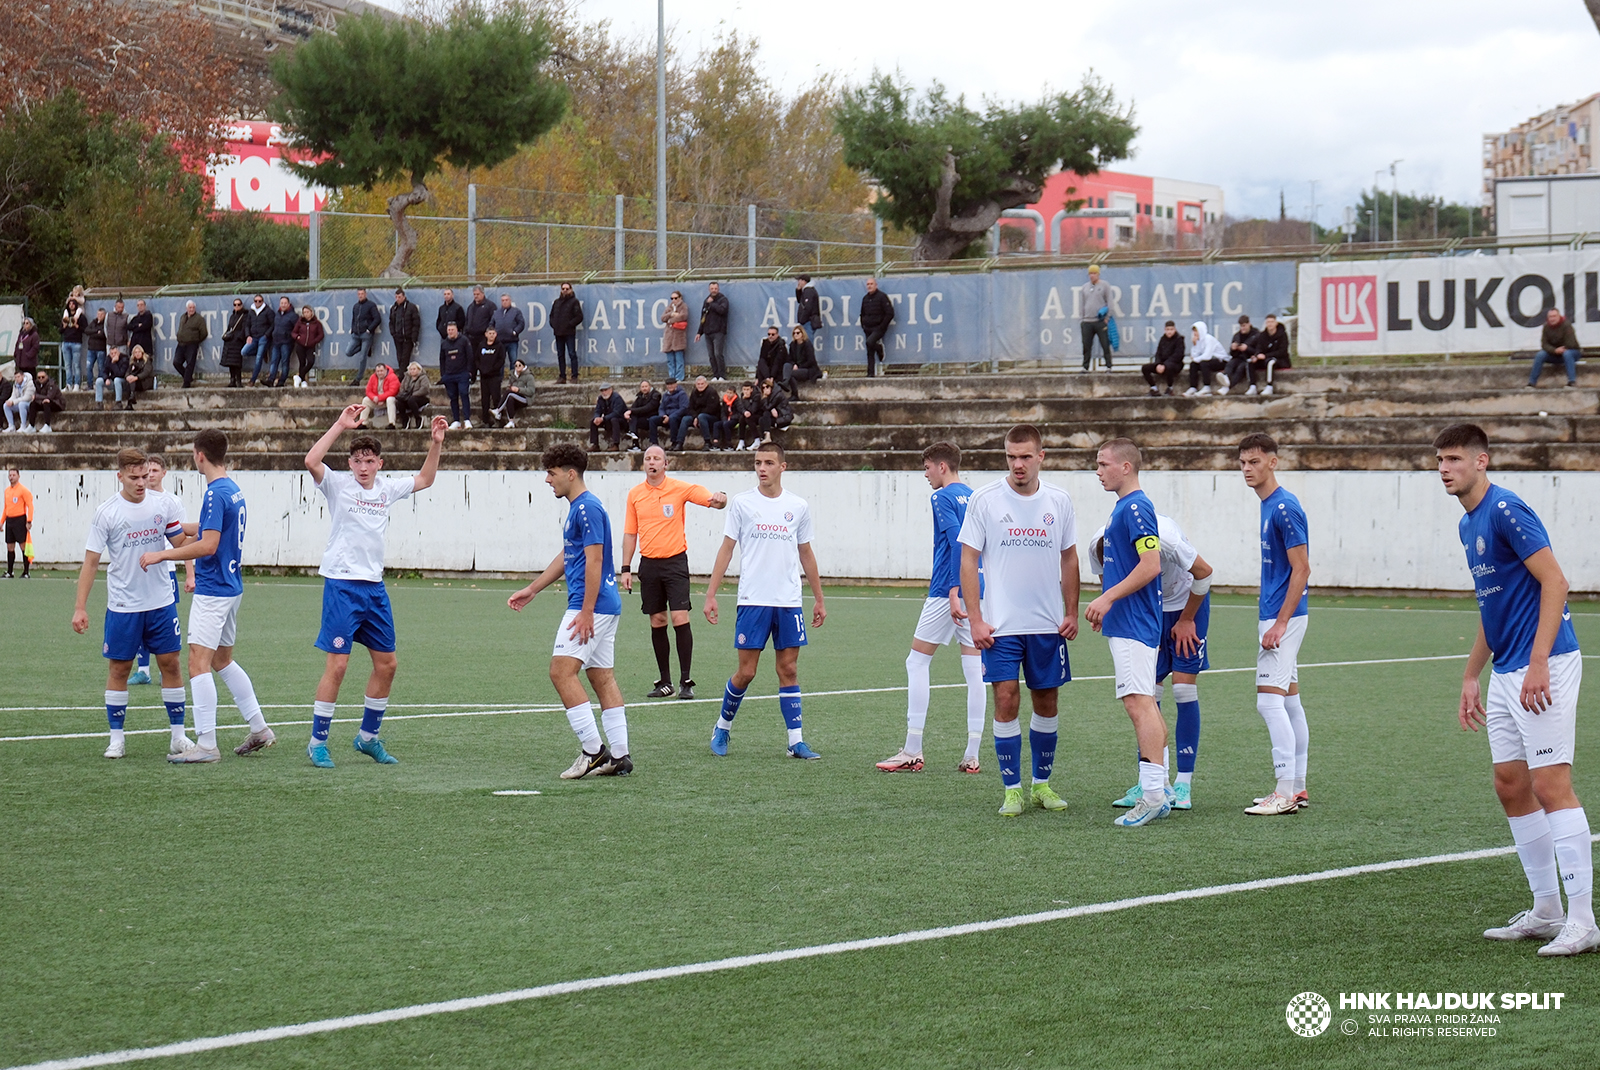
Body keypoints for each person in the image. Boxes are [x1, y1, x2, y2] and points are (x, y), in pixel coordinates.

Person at [1435, 422, 1596, 955]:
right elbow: (1493, 605)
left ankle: (1583, 921)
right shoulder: (1467, 525)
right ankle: (1546, 910)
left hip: (1541, 664)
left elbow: (1556, 581)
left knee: (1551, 784)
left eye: (1455, 459)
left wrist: (1538, 661)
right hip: (1507, 670)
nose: (1444, 468)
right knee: (1510, 783)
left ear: (1482, 461)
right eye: (1439, 459)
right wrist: (1470, 674)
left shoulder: (1506, 510)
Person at [301, 406, 447, 767]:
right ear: (349, 464)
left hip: (374, 588)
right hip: (341, 585)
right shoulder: (337, 485)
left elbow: (426, 479)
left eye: (369, 461)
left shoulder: (387, 488)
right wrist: (339, 425)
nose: (363, 467)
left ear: (379, 464)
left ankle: (368, 738)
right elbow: (311, 460)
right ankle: (317, 742)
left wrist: (436, 443)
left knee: (387, 664)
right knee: (337, 666)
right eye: (356, 461)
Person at [957, 423, 1079, 817]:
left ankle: (1041, 785)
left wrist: (1072, 611)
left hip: (1046, 625)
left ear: (1041, 457)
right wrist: (975, 620)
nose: (1018, 464)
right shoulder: (985, 499)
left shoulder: (1059, 500)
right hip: (1001, 626)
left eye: (1026, 456)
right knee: (1006, 699)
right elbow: (969, 559)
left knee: (1047, 702)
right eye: (1011, 456)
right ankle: (1012, 789)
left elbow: (1070, 558)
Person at [139, 431, 276, 763]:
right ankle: (259, 728)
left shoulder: (215, 493)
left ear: (199, 455)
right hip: (232, 588)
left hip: (213, 590)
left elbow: (209, 544)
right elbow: (214, 527)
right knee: (221, 661)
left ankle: (206, 745)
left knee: (198, 664)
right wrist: (180, 526)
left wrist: (162, 555)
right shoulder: (232, 490)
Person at [508, 443, 632, 778]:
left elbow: (594, 559)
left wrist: (587, 610)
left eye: (551, 472)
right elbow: (569, 556)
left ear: (570, 473)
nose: (548, 480)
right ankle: (619, 754)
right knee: (601, 676)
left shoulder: (586, 508)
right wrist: (533, 589)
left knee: (561, 672)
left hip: (590, 605)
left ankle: (593, 751)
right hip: (604, 605)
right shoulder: (579, 508)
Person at [704, 440, 826, 760]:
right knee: (747, 672)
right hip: (753, 600)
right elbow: (727, 549)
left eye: (769, 463)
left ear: (782, 467)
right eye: (758, 463)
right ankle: (722, 728)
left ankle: (795, 741)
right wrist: (711, 594)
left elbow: (806, 553)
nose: (761, 469)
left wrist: (819, 598)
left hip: (788, 601)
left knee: (789, 669)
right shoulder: (743, 504)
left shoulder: (798, 506)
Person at [70, 447, 191, 759]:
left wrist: (214, 534)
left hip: (162, 602)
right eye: (134, 477)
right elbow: (91, 561)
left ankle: (178, 736)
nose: (141, 482)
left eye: (145, 475)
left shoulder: (163, 505)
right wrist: (80, 607)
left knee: (171, 664)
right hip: (124, 605)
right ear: (120, 475)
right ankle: (116, 738)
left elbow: (180, 543)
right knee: (120, 668)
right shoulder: (107, 513)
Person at [877, 442, 988, 775]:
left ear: (942, 466)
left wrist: (954, 590)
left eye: (927, 467)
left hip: (946, 592)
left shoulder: (941, 497)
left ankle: (912, 749)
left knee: (917, 661)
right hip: (980, 591)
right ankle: (972, 754)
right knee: (973, 670)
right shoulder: (976, 496)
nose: (925, 474)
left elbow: (957, 541)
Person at [1098, 511, 1213, 813]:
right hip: (1150, 609)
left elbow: (1205, 572)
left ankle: (1183, 782)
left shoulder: (1166, 538)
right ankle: (1155, 781)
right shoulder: (1100, 543)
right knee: (1146, 692)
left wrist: (1187, 619)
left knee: (1183, 689)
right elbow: (1108, 582)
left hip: (1188, 603)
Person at [1084, 439, 1171, 828]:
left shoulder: (1136, 506)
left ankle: (1152, 795)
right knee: (1144, 701)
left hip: (1137, 623)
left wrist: (1107, 599)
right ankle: (1160, 788)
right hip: (1129, 621)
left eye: (1103, 464)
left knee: (1139, 703)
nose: (1098, 471)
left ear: (1126, 467)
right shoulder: (1124, 507)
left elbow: (1151, 565)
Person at [1238, 433, 1312, 816]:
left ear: (1273, 462)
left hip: (1283, 617)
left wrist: (1280, 623)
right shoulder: (1269, 505)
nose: (1248, 469)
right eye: (1243, 463)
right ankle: (1297, 787)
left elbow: (1302, 568)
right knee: (1290, 701)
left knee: (1268, 703)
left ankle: (1283, 791)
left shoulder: (1284, 507)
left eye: (1255, 462)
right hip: (1278, 614)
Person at [621, 445, 728, 699]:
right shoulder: (635, 495)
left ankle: (685, 681)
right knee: (657, 620)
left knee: (680, 618)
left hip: (675, 563)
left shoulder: (678, 488)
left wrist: (719, 497)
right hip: (649, 565)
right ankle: (665, 682)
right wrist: (625, 568)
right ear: (643, 464)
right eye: (647, 458)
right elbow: (630, 533)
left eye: (657, 458)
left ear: (666, 464)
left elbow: (710, 499)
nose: (651, 462)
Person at [128, 454, 195, 687]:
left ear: (164, 473)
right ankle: (143, 669)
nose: (151, 475)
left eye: (156, 471)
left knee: (163, 622)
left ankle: (164, 668)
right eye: (149, 471)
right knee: (139, 620)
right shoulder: (137, 501)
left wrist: (190, 574)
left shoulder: (172, 503)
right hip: (141, 570)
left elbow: (184, 542)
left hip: (165, 569)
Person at [1530, 307, 1581, 389]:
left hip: (1572, 353)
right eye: (1550, 316)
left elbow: (1571, 343)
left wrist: (1561, 349)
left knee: (1567, 354)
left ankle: (1572, 382)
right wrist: (1555, 350)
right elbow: (1544, 344)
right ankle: (1531, 383)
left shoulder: (1566, 325)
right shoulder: (1546, 327)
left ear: (1559, 316)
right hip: (1555, 353)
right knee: (1540, 355)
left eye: (1554, 316)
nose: (1552, 319)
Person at [438, 322, 473, 429]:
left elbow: (470, 356)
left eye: (452, 330)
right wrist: (443, 375)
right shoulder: (444, 343)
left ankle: (467, 420)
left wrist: (469, 371)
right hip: (449, 375)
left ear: (457, 330)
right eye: (449, 330)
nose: (450, 332)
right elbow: (442, 360)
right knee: (453, 397)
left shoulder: (464, 341)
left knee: (464, 393)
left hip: (462, 374)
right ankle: (456, 420)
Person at [1079, 265, 1114, 372]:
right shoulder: (1085, 287)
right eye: (1090, 274)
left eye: (1094, 273)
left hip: (1100, 321)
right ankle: (1085, 367)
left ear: (1098, 274)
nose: (1092, 276)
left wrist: (1107, 317)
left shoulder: (1104, 285)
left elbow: (1110, 302)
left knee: (1104, 344)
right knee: (1086, 345)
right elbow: (1081, 304)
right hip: (1087, 321)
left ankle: (1108, 366)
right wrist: (1082, 318)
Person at [1246, 313, 1290, 395]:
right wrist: (1256, 356)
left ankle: (1269, 386)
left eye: (1272, 322)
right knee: (1250, 362)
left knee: (1270, 363)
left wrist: (1266, 356)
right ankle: (1252, 386)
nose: (1270, 324)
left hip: (1280, 359)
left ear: (1276, 323)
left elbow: (1282, 351)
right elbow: (1259, 347)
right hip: (1265, 358)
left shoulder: (1282, 335)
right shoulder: (1263, 335)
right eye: (1268, 322)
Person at [859, 277, 894, 377]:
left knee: (870, 342)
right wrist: (863, 325)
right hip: (868, 328)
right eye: (868, 284)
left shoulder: (882, 297)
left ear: (876, 285)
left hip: (878, 328)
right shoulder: (865, 299)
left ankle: (879, 348)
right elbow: (862, 313)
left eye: (871, 284)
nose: (869, 286)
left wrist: (882, 326)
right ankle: (870, 374)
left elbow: (890, 313)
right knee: (869, 351)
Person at [1184, 321, 1229, 396]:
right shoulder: (1198, 340)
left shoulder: (1209, 339)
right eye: (1194, 331)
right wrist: (1194, 344)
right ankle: (1193, 387)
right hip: (1209, 361)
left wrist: (1195, 359)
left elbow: (1207, 356)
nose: (1195, 333)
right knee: (1193, 365)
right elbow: (1194, 355)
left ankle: (1207, 387)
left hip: (1221, 361)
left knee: (1204, 363)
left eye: (1196, 330)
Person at [550, 282, 584, 383]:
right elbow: (551, 316)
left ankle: (574, 376)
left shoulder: (574, 302)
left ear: (571, 290)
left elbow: (579, 317)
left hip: (569, 332)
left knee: (572, 353)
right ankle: (562, 376)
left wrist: (570, 324)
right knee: (560, 355)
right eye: (563, 289)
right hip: (558, 332)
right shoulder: (556, 302)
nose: (565, 290)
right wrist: (554, 325)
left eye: (567, 288)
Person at [696, 281, 729, 381]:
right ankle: (715, 375)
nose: (713, 290)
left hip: (718, 331)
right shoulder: (707, 300)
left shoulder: (723, 300)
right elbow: (703, 317)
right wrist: (699, 332)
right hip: (708, 332)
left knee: (718, 354)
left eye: (715, 288)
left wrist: (712, 304)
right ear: (709, 289)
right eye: (712, 289)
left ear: (718, 289)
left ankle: (722, 376)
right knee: (711, 355)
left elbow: (722, 310)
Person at [1141, 320, 1185, 395]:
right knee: (1145, 368)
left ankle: (1170, 388)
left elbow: (1178, 355)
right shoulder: (1163, 339)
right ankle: (1154, 388)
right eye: (1167, 330)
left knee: (1169, 367)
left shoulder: (1179, 340)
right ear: (1165, 330)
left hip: (1175, 364)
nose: (1169, 332)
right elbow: (1158, 353)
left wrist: (1165, 365)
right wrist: (1158, 364)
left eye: (1171, 329)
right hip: (1162, 364)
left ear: (1175, 329)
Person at [349, 288, 382, 382]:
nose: (360, 295)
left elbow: (377, 319)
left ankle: (358, 379)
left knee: (362, 358)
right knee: (348, 352)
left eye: (362, 294)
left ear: (365, 294)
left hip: (366, 335)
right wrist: (353, 330)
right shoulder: (355, 306)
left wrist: (369, 329)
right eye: (359, 294)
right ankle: (365, 347)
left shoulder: (371, 305)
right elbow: (354, 319)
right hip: (356, 334)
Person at [680, 374, 721, 451]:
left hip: (711, 417)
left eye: (702, 384)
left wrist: (698, 417)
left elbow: (712, 408)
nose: (700, 386)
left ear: (706, 384)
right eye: (698, 384)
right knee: (685, 419)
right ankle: (679, 442)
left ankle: (707, 442)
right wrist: (695, 417)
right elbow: (690, 407)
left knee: (702, 416)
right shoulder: (694, 393)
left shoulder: (711, 392)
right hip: (698, 416)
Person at [4, 467, 32, 578]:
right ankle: (10, 572)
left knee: (23, 546)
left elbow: (30, 506)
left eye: (13, 475)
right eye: (10, 475)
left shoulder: (23, 490)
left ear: (18, 476)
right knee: (10, 547)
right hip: (9, 521)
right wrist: (2, 522)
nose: (11, 477)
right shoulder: (7, 491)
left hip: (20, 520)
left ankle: (26, 572)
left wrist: (29, 520)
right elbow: (6, 508)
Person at [475, 326, 506, 426]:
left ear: (496, 334)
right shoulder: (481, 345)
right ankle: (486, 421)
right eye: (490, 333)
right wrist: (481, 369)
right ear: (486, 334)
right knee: (485, 400)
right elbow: (477, 359)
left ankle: (499, 420)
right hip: (484, 377)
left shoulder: (499, 346)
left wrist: (492, 370)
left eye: (493, 333)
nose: (491, 335)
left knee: (496, 398)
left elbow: (501, 360)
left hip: (495, 376)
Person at [174, 300, 208, 388]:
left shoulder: (199, 318)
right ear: (186, 308)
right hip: (181, 344)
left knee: (190, 364)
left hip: (191, 344)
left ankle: (186, 383)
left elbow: (204, 333)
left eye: (193, 307)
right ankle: (188, 377)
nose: (191, 309)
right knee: (176, 362)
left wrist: (195, 340)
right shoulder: (183, 317)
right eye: (190, 307)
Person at [783, 325, 821, 400]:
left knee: (791, 374)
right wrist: (794, 364)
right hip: (797, 367)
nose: (795, 335)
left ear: (802, 334)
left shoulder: (807, 345)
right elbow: (790, 359)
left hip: (808, 369)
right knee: (787, 365)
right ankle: (786, 383)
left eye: (798, 333)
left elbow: (811, 361)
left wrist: (799, 367)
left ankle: (793, 393)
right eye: (794, 333)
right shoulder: (793, 345)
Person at [492, 359, 533, 427]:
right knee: (509, 398)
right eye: (516, 366)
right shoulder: (513, 376)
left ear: (523, 366)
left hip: (525, 398)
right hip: (515, 396)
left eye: (519, 365)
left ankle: (498, 411)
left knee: (509, 393)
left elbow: (531, 391)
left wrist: (519, 390)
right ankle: (511, 422)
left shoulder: (529, 376)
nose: (517, 367)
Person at [291, 305, 324, 388]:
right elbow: (294, 333)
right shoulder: (300, 322)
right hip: (300, 345)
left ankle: (299, 376)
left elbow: (321, 335)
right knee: (302, 362)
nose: (306, 314)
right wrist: (297, 337)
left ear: (311, 313)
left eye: (307, 312)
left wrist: (314, 341)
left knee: (310, 361)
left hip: (310, 346)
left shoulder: (317, 323)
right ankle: (303, 381)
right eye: (304, 312)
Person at [243, 294, 274, 385]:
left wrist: (266, 335)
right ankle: (263, 352)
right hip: (253, 337)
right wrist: (248, 335)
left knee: (258, 359)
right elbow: (247, 325)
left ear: (263, 301)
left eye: (259, 301)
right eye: (256, 301)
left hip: (263, 338)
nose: (257, 303)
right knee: (244, 352)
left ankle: (252, 380)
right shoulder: (251, 311)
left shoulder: (268, 311)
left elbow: (273, 324)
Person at [388, 288, 421, 371]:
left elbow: (416, 323)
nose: (398, 299)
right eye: (396, 297)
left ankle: (401, 377)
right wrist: (393, 333)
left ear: (404, 297)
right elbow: (391, 322)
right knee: (399, 357)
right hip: (397, 337)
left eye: (399, 297)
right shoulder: (394, 308)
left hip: (408, 338)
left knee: (405, 359)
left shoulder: (411, 307)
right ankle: (404, 376)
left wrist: (414, 337)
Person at [433, 288, 465, 372]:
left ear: (452, 295)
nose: (446, 296)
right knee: (443, 356)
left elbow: (461, 322)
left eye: (448, 294)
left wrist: (453, 332)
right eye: (445, 294)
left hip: (455, 338)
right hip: (444, 337)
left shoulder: (458, 308)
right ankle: (444, 374)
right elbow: (439, 320)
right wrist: (441, 330)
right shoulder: (441, 308)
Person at [1223, 314, 1258, 393]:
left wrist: (1247, 349)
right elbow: (1232, 354)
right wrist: (1233, 348)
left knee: (1240, 368)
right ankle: (1225, 377)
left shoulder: (1256, 335)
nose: (1242, 328)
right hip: (1239, 357)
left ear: (1249, 324)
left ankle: (1228, 387)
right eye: (1241, 326)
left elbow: (1259, 350)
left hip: (1249, 359)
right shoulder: (1237, 336)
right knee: (1231, 364)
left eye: (1244, 326)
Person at [360, 363, 400, 429]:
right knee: (366, 400)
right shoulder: (373, 377)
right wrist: (373, 397)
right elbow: (368, 391)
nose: (379, 373)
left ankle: (392, 423)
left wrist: (380, 398)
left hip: (390, 400)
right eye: (378, 371)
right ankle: (363, 423)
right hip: (377, 400)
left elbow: (393, 391)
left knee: (390, 399)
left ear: (385, 370)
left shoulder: (392, 377)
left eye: (381, 371)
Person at [589, 382, 627, 451]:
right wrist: (597, 417)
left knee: (614, 419)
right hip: (607, 420)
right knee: (593, 421)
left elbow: (617, 413)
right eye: (602, 391)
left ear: (611, 390)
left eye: (605, 390)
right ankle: (595, 445)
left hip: (621, 421)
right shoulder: (601, 399)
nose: (604, 392)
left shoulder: (617, 398)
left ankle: (616, 444)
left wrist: (603, 419)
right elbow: (598, 410)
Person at [661, 290, 689, 382]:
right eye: (672, 298)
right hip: (669, 337)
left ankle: (679, 377)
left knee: (679, 359)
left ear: (680, 298)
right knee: (670, 360)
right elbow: (663, 318)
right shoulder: (669, 307)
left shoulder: (683, 306)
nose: (674, 300)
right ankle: (672, 377)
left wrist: (670, 320)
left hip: (678, 337)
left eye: (675, 298)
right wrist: (671, 314)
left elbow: (683, 316)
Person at [491, 293, 525, 369]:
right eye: (503, 300)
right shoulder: (496, 313)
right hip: (499, 341)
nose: (504, 302)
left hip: (512, 341)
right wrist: (493, 334)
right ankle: (500, 379)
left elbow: (521, 323)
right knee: (500, 361)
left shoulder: (516, 311)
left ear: (510, 301)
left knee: (513, 361)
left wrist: (515, 332)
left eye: (506, 300)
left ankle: (513, 378)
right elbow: (491, 324)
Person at [464, 285, 495, 368]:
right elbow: (467, 321)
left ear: (483, 294)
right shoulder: (471, 307)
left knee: (483, 358)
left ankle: (484, 377)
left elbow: (493, 321)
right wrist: (466, 331)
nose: (476, 296)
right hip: (471, 338)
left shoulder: (490, 306)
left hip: (483, 338)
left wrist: (488, 334)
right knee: (472, 358)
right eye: (474, 294)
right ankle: (472, 378)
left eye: (477, 294)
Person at [624, 379, 660, 448]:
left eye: (646, 386)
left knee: (633, 415)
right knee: (632, 417)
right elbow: (633, 407)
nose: (644, 388)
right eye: (642, 387)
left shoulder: (656, 395)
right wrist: (628, 412)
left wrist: (630, 411)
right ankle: (634, 441)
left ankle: (633, 435)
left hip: (652, 418)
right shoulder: (640, 396)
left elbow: (648, 408)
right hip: (643, 419)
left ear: (650, 387)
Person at [269, 297, 297, 387]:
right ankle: (271, 379)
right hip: (276, 342)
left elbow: (296, 329)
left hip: (286, 342)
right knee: (274, 361)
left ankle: (282, 381)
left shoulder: (293, 316)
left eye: (285, 303)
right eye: (282, 303)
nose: (283, 305)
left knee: (285, 362)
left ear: (288, 304)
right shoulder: (277, 314)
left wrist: (290, 337)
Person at [395, 362, 432, 429]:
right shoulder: (406, 377)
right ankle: (405, 419)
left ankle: (418, 418)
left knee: (411, 400)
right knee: (399, 402)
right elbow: (402, 387)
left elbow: (424, 389)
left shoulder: (423, 377)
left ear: (419, 369)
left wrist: (413, 394)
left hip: (421, 397)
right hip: (408, 396)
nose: (412, 371)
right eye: (411, 369)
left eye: (414, 369)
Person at [221, 298, 248, 387]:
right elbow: (229, 328)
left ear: (242, 305)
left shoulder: (244, 316)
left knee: (237, 363)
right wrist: (226, 336)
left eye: (238, 304)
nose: (237, 306)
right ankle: (232, 380)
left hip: (238, 342)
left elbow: (244, 329)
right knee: (230, 363)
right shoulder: (232, 316)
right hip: (229, 342)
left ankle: (238, 381)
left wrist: (237, 337)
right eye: (235, 305)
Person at [651, 377, 687, 447]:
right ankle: (654, 442)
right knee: (652, 420)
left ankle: (674, 442)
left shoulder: (682, 394)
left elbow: (683, 408)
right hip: (666, 416)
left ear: (676, 384)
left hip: (677, 416)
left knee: (673, 419)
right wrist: (663, 415)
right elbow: (661, 408)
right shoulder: (665, 395)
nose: (670, 386)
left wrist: (670, 417)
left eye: (672, 384)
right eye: (668, 385)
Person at [60, 296, 85, 392]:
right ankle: (68, 384)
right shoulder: (65, 317)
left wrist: (77, 326)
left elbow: (84, 329)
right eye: (70, 304)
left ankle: (77, 384)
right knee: (67, 365)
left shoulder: (81, 317)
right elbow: (60, 331)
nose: (71, 305)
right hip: (66, 342)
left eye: (73, 304)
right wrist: (64, 326)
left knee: (76, 365)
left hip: (76, 343)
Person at [757, 378, 792, 443]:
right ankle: (762, 438)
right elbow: (765, 408)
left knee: (766, 413)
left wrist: (764, 398)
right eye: (763, 388)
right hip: (777, 417)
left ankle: (768, 437)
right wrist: (772, 409)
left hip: (784, 418)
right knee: (761, 419)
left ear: (771, 386)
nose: (765, 389)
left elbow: (768, 407)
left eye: (767, 387)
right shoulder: (770, 396)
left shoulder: (777, 395)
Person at [729, 380, 760, 451]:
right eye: (744, 390)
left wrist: (745, 401)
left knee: (748, 418)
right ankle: (741, 441)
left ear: (751, 389)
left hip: (757, 415)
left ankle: (757, 439)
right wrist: (744, 411)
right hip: (747, 415)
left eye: (748, 389)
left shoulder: (757, 396)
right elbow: (741, 407)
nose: (746, 391)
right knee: (742, 418)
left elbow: (754, 409)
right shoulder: (743, 396)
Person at [795, 274, 822, 354]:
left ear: (804, 281)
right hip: (807, 321)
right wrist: (798, 290)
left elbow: (808, 307)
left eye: (799, 280)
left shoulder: (809, 291)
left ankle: (810, 362)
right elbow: (800, 300)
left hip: (808, 321)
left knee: (808, 343)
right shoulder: (805, 291)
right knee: (804, 343)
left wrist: (802, 320)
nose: (798, 282)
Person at [84, 307, 108, 389]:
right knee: (88, 366)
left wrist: (93, 332)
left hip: (100, 349)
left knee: (101, 367)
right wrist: (96, 331)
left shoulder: (105, 323)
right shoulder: (94, 322)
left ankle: (99, 385)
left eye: (101, 314)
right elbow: (87, 331)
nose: (99, 316)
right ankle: (90, 385)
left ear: (104, 315)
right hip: (91, 348)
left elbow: (102, 335)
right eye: (98, 314)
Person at [128, 300, 154, 370]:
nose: (140, 306)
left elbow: (146, 326)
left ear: (145, 306)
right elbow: (129, 327)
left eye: (141, 305)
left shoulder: (148, 316)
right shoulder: (135, 318)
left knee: (146, 364)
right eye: (138, 305)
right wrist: (138, 325)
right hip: (135, 344)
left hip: (145, 345)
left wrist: (136, 327)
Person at [106, 300, 129, 368]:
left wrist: (127, 339)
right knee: (109, 362)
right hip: (110, 343)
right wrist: (108, 337)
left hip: (121, 344)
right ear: (115, 306)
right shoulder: (109, 315)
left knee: (122, 362)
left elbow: (129, 330)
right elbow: (105, 327)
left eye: (122, 307)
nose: (120, 309)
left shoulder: (126, 316)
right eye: (119, 307)